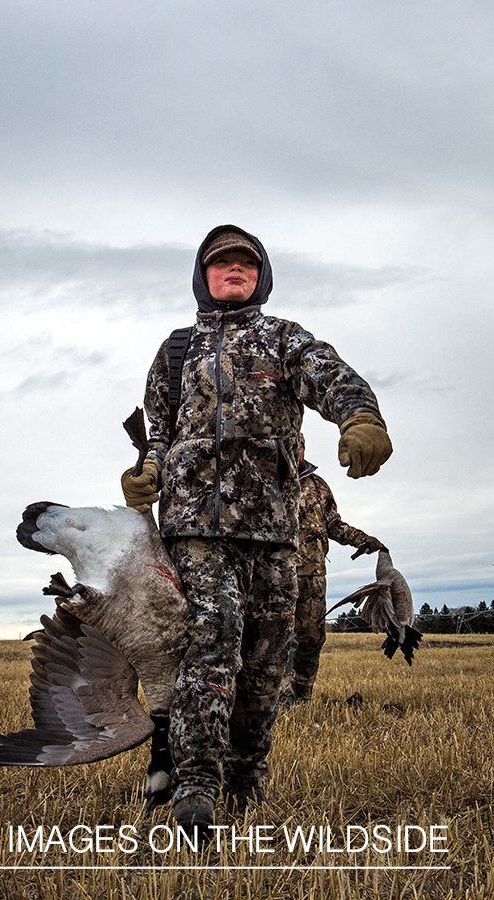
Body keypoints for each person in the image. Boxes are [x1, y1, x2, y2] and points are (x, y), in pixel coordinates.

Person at [121, 225, 392, 834]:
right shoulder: (176, 350)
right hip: (194, 528)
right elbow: (158, 431)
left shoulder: (284, 338)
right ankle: (196, 781)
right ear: (204, 277)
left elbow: (332, 376)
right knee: (212, 636)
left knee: (267, 658)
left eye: (246, 264)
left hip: (275, 528)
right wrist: (145, 472)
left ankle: (246, 780)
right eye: (222, 264)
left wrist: (361, 416)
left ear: (260, 277)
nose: (234, 271)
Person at [280, 434, 385, 708]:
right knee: (279, 638)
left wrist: (362, 539)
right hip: (277, 576)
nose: (295, 450)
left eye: (299, 445)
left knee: (312, 638)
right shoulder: (267, 482)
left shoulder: (318, 487)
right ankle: (280, 700)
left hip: (314, 579)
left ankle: (302, 696)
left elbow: (334, 524)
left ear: (303, 448)